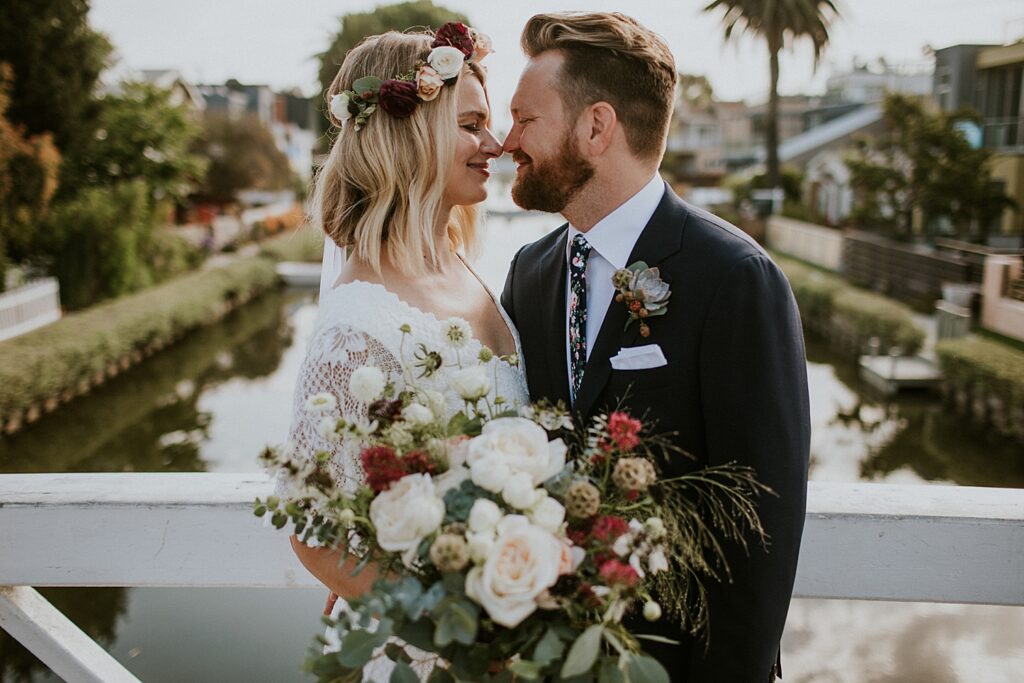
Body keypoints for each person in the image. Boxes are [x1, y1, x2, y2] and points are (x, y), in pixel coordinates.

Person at [499, 12, 811, 682]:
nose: (507, 141)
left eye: (525, 120)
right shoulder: (529, 273)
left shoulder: (735, 278)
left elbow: (760, 524)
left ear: (595, 126)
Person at [280, 25, 527, 679]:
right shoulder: (356, 324)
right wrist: (462, 628)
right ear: (410, 133)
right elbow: (316, 532)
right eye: (472, 124)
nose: (495, 145)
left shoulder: (460, 264)